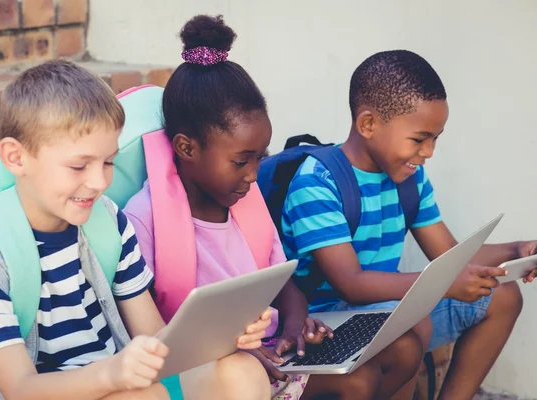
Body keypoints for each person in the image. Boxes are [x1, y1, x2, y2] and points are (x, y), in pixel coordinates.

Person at [125, 15, 423, 400]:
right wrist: (238, 351)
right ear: (186, 148)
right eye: (240, 160)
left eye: (259, 158)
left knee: (406, 349)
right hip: (206, 370)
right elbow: (148, 332)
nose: (253, 175)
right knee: (358, 382)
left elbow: (282, 279)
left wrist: (295, 325)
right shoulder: (144, 218)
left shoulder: (244, 201)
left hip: (271, 351)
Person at [0, 60, 272, 400]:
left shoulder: (107, 221)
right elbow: (21, 389)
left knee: (243, 372)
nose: (99, 182)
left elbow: (156, 338)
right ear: (16, 158)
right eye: (78, 165)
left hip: (113, 382)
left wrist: (222, 337)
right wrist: (113, 373)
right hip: (44, 391)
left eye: (108, 161)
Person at [281, 49, 531, 399]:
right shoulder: (319, 182)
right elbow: (351, 285)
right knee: (412, 321)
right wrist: (442, 284)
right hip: (325, 325)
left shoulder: (410, 178)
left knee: (502, 295)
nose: (428, 152)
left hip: (385, 311)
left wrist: (517, 251)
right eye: (419, 139)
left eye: (435, 139)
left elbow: (450, 255)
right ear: (368, 124)